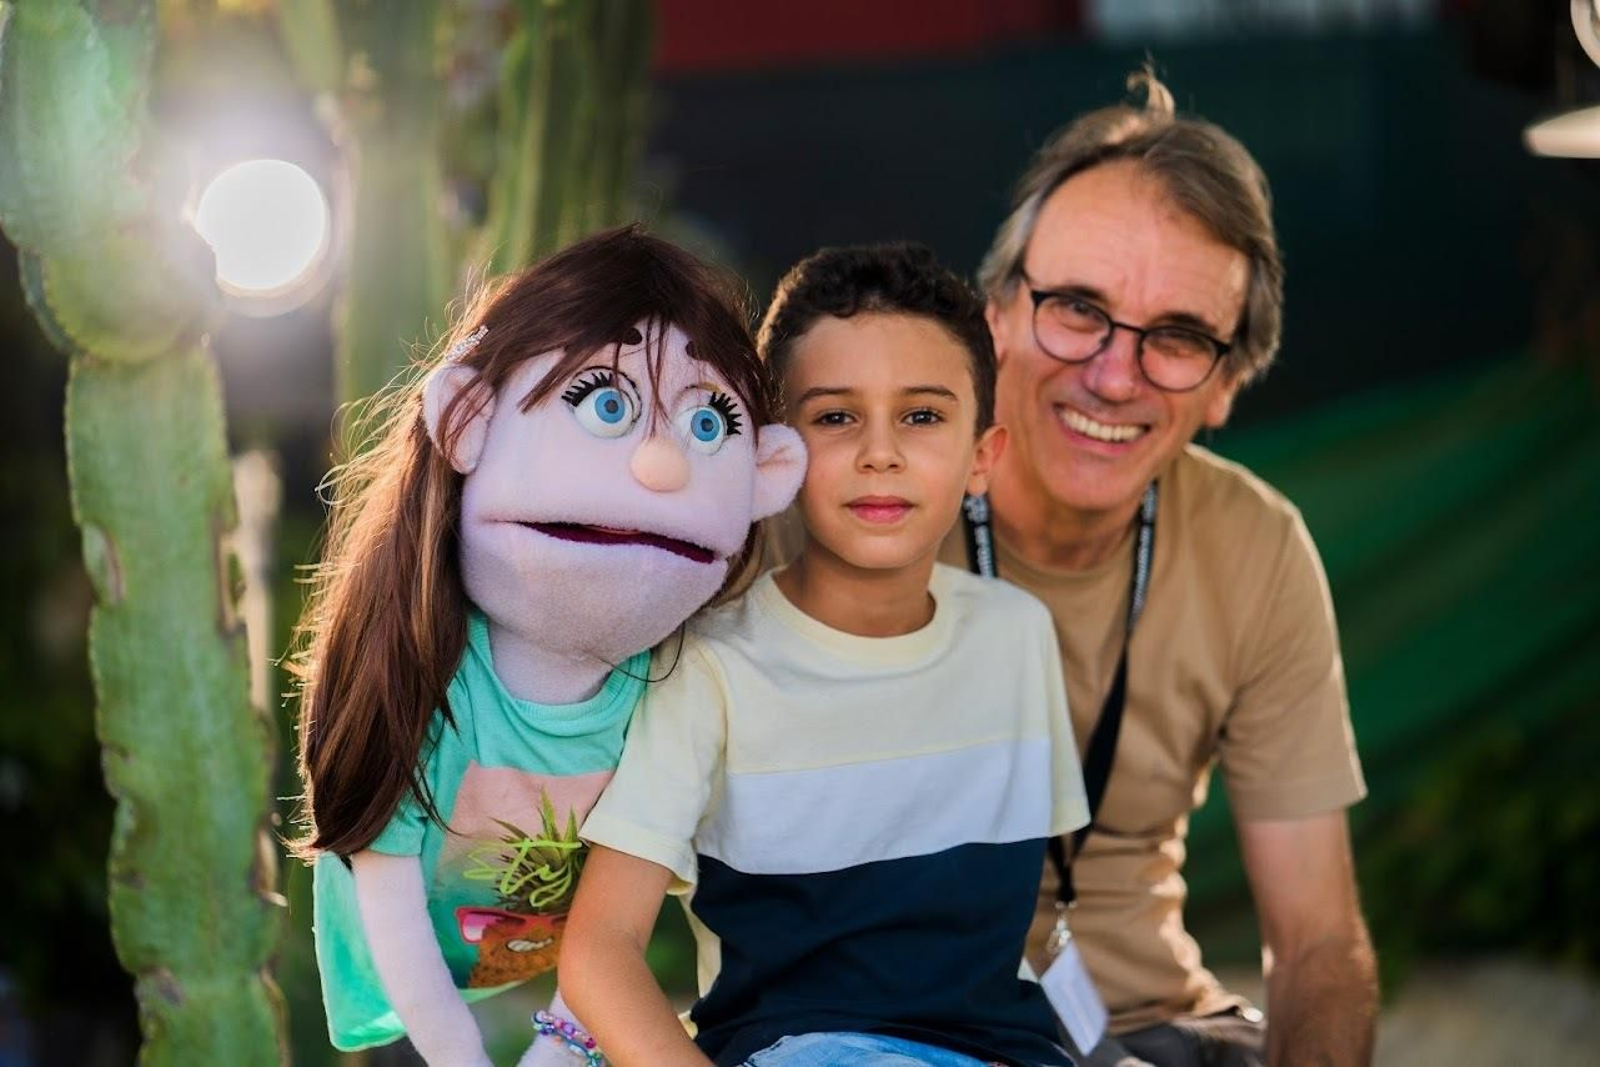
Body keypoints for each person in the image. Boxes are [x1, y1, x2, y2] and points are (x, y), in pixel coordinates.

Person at [561, 243, 1087, 1066]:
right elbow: (600, 947)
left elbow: (1035, 918)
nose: (880, 452)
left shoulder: (1019, 636)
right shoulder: (708, 666)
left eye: (921, 415)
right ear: (773, 456)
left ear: (983, 458)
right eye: (836, 415)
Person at [289, 226, 804, 1066]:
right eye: (607, 402)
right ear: (467, 423)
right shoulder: (425, 674)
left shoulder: (671, 683)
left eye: (709, 421)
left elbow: (618, 915)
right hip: (402, 979)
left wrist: (558, 1047)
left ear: (765, 475)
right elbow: (386, 893)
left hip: (557, 981)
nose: (662, 464)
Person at [951, 70, 1378, 1065]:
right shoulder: (858, 499)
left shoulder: (1256, 543)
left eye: (1178, 338)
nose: (1113, 372)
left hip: (1155, 1027)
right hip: (908, 1023)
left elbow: (1318, 941)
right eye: (1075, 308)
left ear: (1226, 384)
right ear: (995, 314)